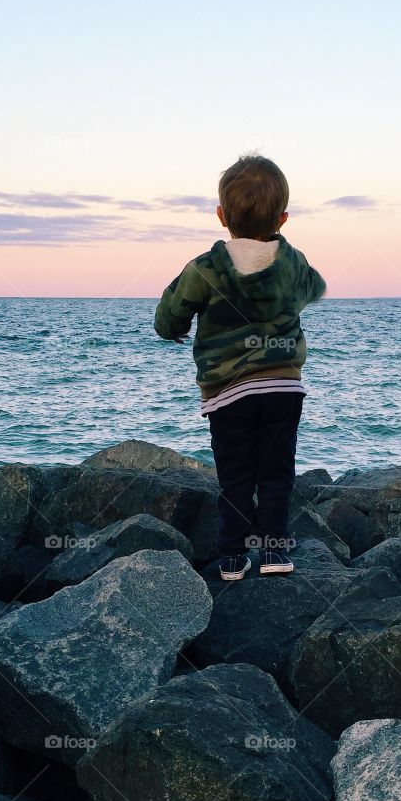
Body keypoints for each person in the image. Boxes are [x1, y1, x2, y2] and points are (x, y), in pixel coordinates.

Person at [154, 154, 326, 580]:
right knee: (276, 471)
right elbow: (315, 288)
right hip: (284, 388)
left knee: (235, 474)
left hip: (228, 392)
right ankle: (275, 551)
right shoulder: (294, 261)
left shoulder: (207, 268)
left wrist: (175, 328)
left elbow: (170, 314)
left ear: (220, 215)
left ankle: (233, 555)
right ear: (283, 219)